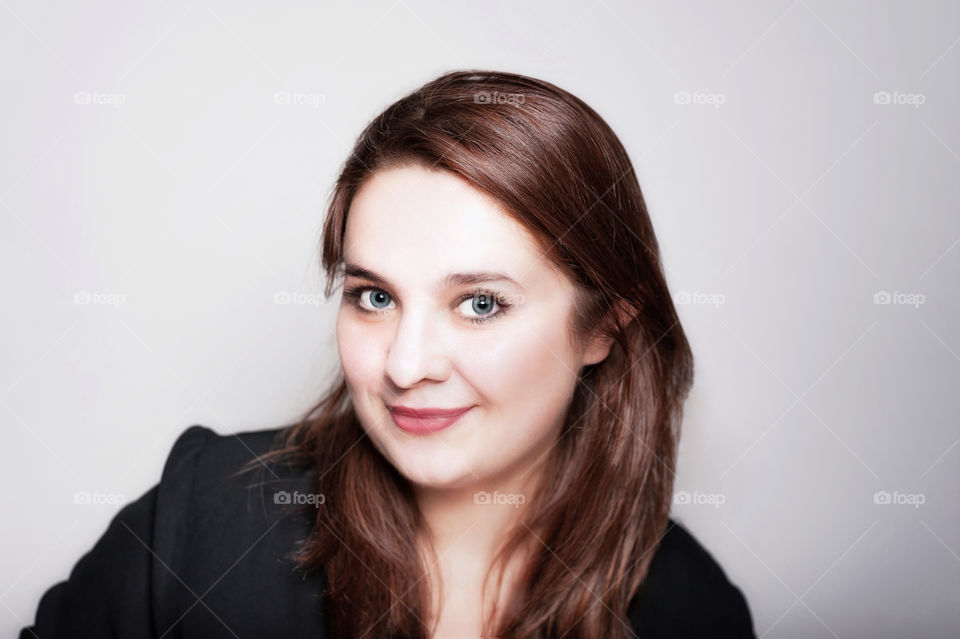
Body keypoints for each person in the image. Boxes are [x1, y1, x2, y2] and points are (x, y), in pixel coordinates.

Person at [21, 69, 755, 638]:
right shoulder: (207, 519)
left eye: (480, 303)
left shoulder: (689, 609)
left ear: (604, 330)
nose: (405, 366)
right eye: (374, 296)